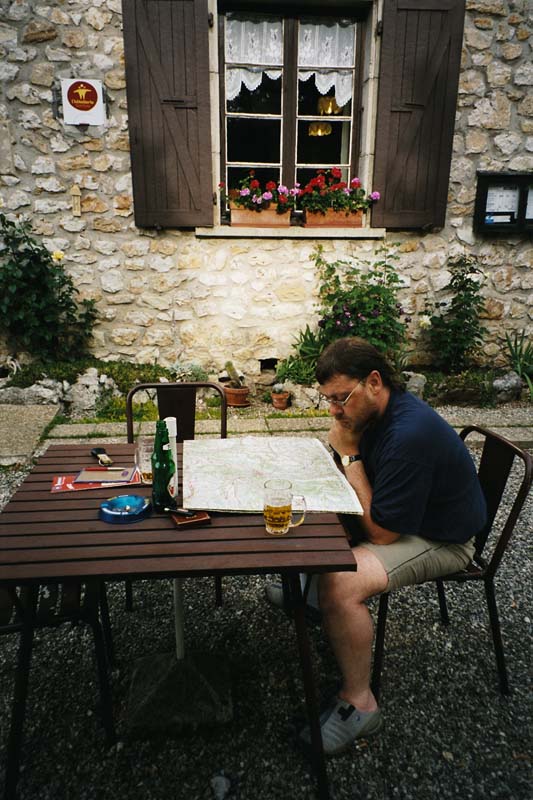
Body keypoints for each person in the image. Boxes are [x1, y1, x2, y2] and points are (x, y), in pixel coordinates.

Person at [285, 337, 487, 756]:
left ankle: (360, 703)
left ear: (374, 382)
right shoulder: (375, 412)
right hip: (408, 520)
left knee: (341, 581)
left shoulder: (408, 435)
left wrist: (350, 457)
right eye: (329, 400)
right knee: (313, 518)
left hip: (442, 538)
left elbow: (381, 535)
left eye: (341, 398)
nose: (334, 411)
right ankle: (313, 593)